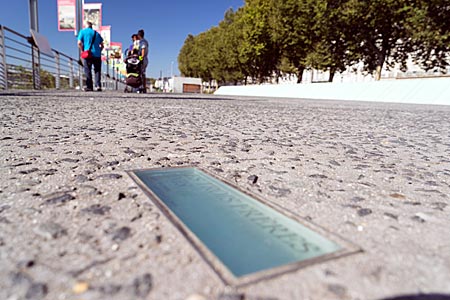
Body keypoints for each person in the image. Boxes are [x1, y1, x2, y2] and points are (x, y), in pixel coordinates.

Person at [77, 21, 104, 91]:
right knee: (97, 70)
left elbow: (79, 43)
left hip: (88, 54)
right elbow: (102, 45)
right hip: (97, 54)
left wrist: (82, 50)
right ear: (91, 26)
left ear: (86, 26)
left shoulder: (82, 32)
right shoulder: (97, 33)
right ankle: (98, 86)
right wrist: (99, 51)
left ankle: (89, 86)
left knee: (87, 69)